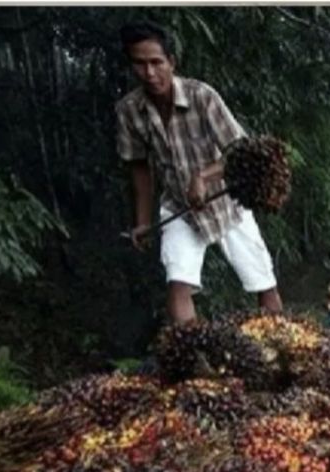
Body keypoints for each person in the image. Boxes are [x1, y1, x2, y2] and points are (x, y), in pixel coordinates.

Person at [115, 21, 282, 325]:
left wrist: (203, 177)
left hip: (227, 203)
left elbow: (240, 150)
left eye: (156, 63)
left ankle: (283, 352)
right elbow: (138, 168)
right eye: (140, 64)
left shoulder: (201, 96)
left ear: (171, 62)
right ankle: (194, 360)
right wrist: (141, 221)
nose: (150, 73)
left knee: (262, 281)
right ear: (132, 66)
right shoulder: (129, 110)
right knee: (178, 284)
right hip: (180, 207)